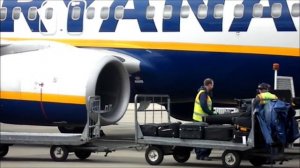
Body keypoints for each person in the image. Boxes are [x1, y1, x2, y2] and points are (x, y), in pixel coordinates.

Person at [193, 78, 214, 161]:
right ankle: (202, 155)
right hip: (200, 119)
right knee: (202, 138)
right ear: (209, 85)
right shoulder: (203, 93)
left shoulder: (205, 93)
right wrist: (210, 113)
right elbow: (203, 106)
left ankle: (200, 155)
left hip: (201, 119)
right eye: (212, 85)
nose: (213, 86)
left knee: (201, 137)